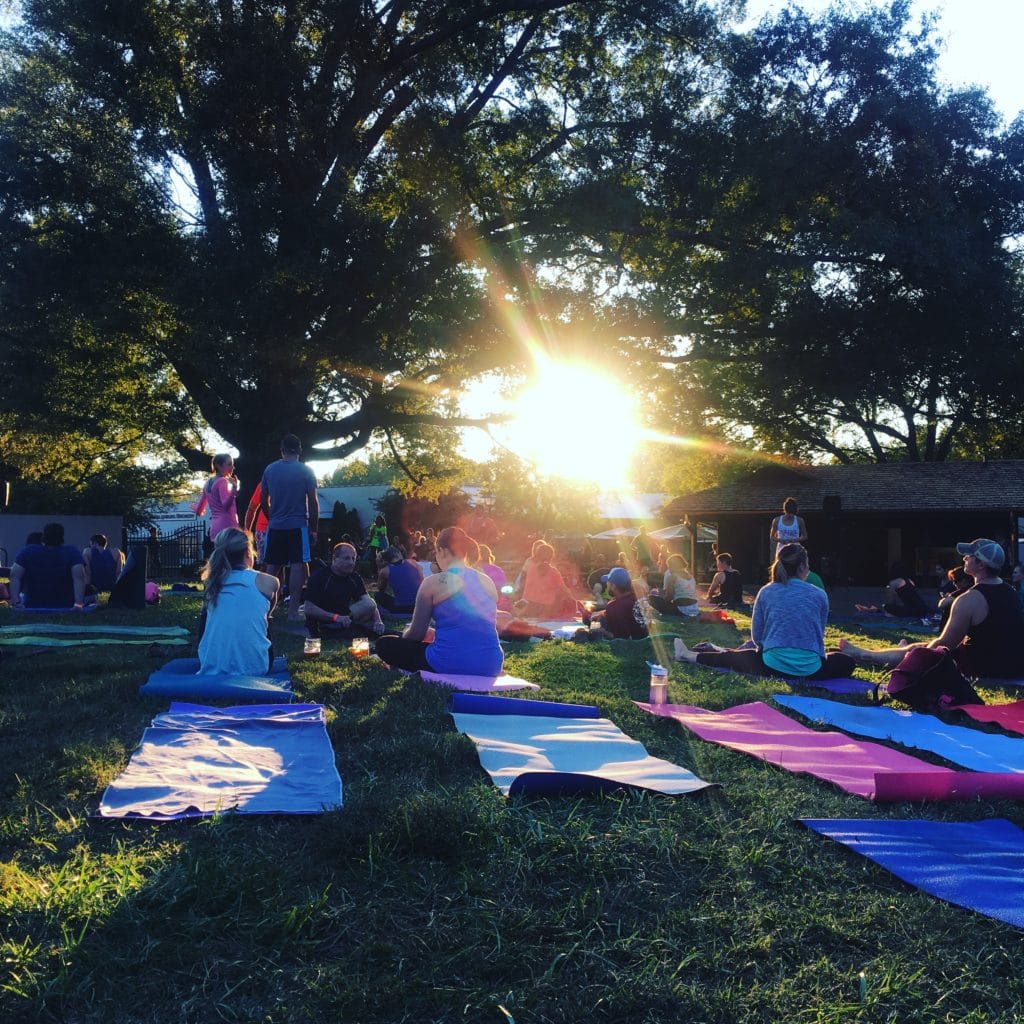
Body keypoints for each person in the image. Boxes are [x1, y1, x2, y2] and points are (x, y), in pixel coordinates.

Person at [841, 538, 1024, 679]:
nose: (964, 558)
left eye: (969, 556)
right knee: (918, 647)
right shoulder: (1011, 591)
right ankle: (898, 651)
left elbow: (943, 646)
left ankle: (864, 655)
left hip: (985, 668)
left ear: (981, 565)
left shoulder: (969, 599)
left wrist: (915, 654)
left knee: (921, 650)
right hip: (1014, 665)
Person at [674, 543, 853, 679]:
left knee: (732, 658)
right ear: (801, 567)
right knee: (846, 661)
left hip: (772, 664)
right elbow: (818, 634)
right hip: (811, 668)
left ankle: (687, 655)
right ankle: (695, 654)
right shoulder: (819, 594)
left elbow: (757, 636)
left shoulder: (767, 591)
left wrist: (765, 652)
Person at [376, 526, 503, 675]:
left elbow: (416, 634)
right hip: (491, 664)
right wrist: (435, 633)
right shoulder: (487, 581)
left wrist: (405, 635)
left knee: (384, 644)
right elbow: (471, 624)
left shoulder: (432, 583)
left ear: (442, 551)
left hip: (448, 661)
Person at [196, 528, 278, 676]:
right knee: (265, 619)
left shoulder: (212, 582)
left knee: (207, 612)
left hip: (210, 668)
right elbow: (269, 613)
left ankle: (216, 654)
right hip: (256, 668)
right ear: (248, 553)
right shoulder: (269, 582)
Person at [259, 434, 319, 622]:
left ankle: (262, 611)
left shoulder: (270, 470)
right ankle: (293, 612)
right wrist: (314, 528)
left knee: (271, 567)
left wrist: (272, 517)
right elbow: (313, 501)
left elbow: (262, 499)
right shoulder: (306, 471)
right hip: (297, 525)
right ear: (299, 450)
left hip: (276, 525)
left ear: (282, 449)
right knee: (296, 566)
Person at [304, 542, 385, 638]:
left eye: (353, 559)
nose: (351, 562)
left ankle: (344, 627)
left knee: (370, 602)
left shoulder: (354, 577)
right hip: (323, 621)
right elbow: (308, 609)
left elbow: (370, 604)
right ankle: (335, 627)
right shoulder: (319, 577)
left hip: (345, 618)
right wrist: (335, 617)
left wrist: (378, 621)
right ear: (334, 559)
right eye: (346, 558)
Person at [10, 522, 87, 610]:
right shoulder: (72, 552)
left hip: (33, 604)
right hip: (65, 604)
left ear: (44, 536)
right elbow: (79, 577)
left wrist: (16, 603)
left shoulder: (27, 551)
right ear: (62, 537)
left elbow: (14, 575)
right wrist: (78, 604)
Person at [517, 541, 577, 618]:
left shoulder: (531, 569)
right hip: (547, 608)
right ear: (551, 556)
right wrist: (573, 600)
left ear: (537, 555)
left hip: (531, 605)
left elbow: (527, 588)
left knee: (532, 626)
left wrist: (523, 603)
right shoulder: (553, 571)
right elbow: (563, 588)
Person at [588, 567, 648, 639]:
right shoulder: (639, 598)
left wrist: (601, 631)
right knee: (600, 618)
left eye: (608, 582)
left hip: (631, 645)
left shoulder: (614, 607)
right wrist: (602, 614)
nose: (607, 585)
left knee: (590, 630)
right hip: (644, 638)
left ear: (614, 586)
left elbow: (620, 638)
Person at [193, 453, 240, 541]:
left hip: (215, 527)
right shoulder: (222, 481)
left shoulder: (208, 483)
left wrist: (195, 508)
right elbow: (225, 506)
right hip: (227, 525)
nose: (233, 467)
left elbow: (199, 511)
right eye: (229, 464)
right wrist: (234, 489)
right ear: (219, 465)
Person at [648, 553, 698, 619]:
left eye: (668, 566)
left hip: (681, 610)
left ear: (672, 566)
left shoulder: (672, 577)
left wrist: (661, 599)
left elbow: (669, 597)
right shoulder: (691, 577)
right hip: (695, 609)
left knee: (651, 598)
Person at [376, 545, 424, 613]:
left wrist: (379, 567)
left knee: (378, 595)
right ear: (399, 554)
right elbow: (422, 580)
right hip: (417, 605)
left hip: (400, 608)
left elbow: (381, 588)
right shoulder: (413, 563)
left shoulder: (385, 571)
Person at [243, 481, 270, 565]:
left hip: (264, 528)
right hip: (266, 528)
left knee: (272, 565)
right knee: (269, 565)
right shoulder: (265, 483)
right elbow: (252, 508)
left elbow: (251, 508)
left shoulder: (265, 482)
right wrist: (247, 531)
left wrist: (247, 531)